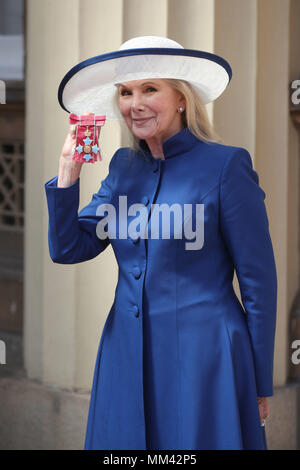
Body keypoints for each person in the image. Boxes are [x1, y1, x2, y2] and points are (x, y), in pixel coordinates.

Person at [44, 36, 277, 450]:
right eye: (125, 92)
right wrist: (68, 172)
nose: (135, 103)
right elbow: (68, 248)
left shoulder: (227, 165)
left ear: (181, 98)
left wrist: (259, 381)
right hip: (126, 354)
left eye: (150, 89)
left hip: (206, 359)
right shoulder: (123, 167)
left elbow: (258, 284)